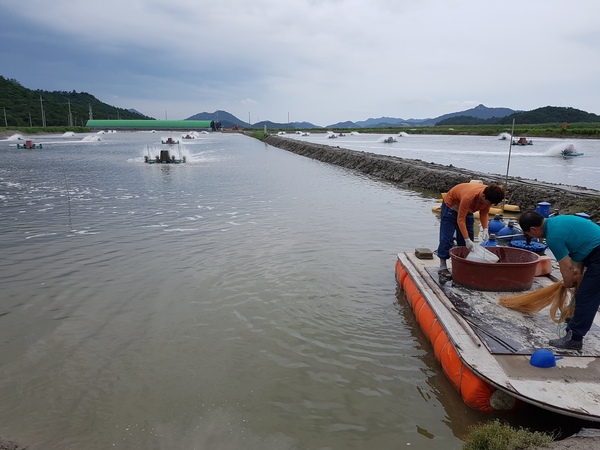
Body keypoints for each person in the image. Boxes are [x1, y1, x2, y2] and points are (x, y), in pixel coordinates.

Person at [519, 210, 600, 350]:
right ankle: (577, 323)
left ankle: (574, 339)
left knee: (585, 296)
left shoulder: (553, 237)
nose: (532, 238)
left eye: (529, 235)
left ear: (533, 229)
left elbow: (566, 266)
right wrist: (579, 271)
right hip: (595, 253)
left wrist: (567, 284)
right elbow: (582, 247)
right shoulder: (557, 222)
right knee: (589, 292)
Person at [437, 182, 505, 279]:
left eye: (491, 204)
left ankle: (462, 265)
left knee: (469, 241)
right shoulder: (468, 197)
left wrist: (485, 228)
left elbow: (484, 213)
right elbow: (460, 220)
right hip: (451, 207)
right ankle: (443, 266)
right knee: (447, 238)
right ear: (483, 196)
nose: (489, 205)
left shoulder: (490, 195)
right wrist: (466, 239)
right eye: (489, 203)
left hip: (468, 209)